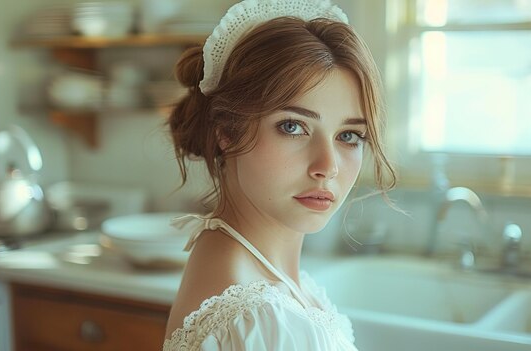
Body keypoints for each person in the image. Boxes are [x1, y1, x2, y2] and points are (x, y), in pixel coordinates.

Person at [163, 0, 396, 349]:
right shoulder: (258, 320)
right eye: (293, 126)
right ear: (226, 132)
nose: (327, 166)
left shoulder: (255, 275)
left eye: (349, 136)